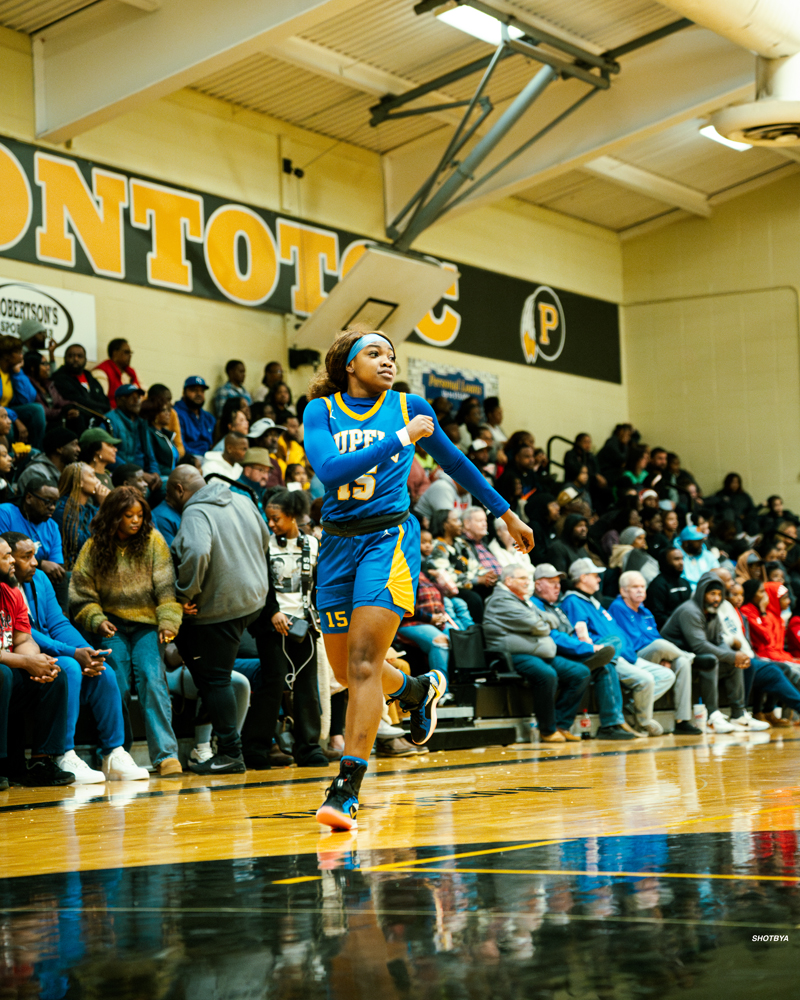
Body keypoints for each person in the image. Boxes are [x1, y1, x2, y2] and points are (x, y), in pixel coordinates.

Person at [303, 329, 532, 830]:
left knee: (364, 664)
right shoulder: (321, 411)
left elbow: (455, 463)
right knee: (346, 673)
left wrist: (504, 512)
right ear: (348, 365)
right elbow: (330, 471)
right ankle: (414, 689)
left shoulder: (409, 405)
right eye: (374, 353)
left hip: (388, 542)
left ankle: (346, 789)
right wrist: (401, 440)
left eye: (390, 355)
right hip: (338, 542)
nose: (387, 361)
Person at [4, 531, 149, 781]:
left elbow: (58, 622)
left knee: (103, 670)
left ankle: (114, 753)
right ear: (9, 560)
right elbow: (25, 634)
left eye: (34, 556)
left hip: (48, 651)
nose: (35, 562)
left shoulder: (39, 578)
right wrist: (72, 653)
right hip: (26, 657)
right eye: (25, 557)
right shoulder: (7, 586)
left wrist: (87, 652)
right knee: (70, 667)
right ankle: (64, 754)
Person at [69, 486, 183, 777]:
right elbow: (82, 593)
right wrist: (96, 619)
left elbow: (167, 590)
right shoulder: (94, 546)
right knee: (115, 682)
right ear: (113, 517)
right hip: (112, 624)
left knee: (151, 679)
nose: (136, 521)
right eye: (128, 515)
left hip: (147, 625)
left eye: (140, 515)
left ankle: (166, 755)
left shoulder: (154, 541)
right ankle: (115, 753)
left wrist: (168, 623)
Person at [171, 468, 271, 775]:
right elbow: (265, 538)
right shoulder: (242, 499)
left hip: (220, 608)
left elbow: (197, 551)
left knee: (214, 679)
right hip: (254, 600)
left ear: (177, 490)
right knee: (214, 673)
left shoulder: (195, 512)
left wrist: (185, 592)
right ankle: (218, 745)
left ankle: (229, 752)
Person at [246, 489, 327, 768]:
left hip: (306, 625)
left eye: (276, 519)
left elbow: (321, 586)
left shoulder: (313, 545)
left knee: (306, 686)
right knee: (273, 683)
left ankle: (309, 748)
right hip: (272, 626)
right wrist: (272, 613)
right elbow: (257, 584)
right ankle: (257, 748)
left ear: (292, 517)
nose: (271, 524)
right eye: (269, 519)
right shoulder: (263, 545)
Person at [560, 559, 674, 737]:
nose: (599, 579)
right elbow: (581, 633)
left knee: (666, 675)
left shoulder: (592, 601)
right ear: (583, 578)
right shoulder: (573, 601)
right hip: (609, 656)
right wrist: (596, 649)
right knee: (645, 679)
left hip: (628, 655)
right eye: (595, 575)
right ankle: (641, 722)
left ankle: (631, 710)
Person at [484, 565, 591, 743]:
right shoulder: (500, 600)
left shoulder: (522, 599)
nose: (528, 582)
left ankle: (561, 724)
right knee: (547, 674)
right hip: (512, 655)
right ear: (509, 580)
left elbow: (552, 620)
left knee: (580, 673)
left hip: (537, 653)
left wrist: (541, 624)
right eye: (522, 578)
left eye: (528, 578)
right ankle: (547, 730)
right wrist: (541, 625)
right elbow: (537, 626)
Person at [0, 536, 75, 787]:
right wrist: (25, 662)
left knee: (55, 673)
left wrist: (37, 662)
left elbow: (23, 638)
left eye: (11, 554)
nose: (11, 561)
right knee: (3, 674)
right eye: (5, 557)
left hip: (10, 668)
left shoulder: (12, 592)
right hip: (4, 672)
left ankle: (42, 760)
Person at [530, 564, 632, 740]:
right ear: (538, 585)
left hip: (570, 649)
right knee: (591, 664)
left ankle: (604, 724)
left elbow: (570, 633)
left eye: (558, 582)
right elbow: (555, 637)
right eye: (552, 582)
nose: (557, 586)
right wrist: (589, 648)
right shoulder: (535, 606)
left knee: (605, 665)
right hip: (551, 653)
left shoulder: (555, 607)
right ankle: (590, 663)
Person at [609, 570, 701, 735]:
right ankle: (686, 654)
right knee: (660, 645)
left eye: (643, 587)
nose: (640, 591)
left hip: (653, 653)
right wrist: (663, 652)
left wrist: (666, 656)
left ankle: (682, 720)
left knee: (682, 663)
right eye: (635, 587)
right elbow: (635, 642)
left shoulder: (645, 612)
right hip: (634, 657)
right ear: (623, 591)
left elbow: (654, 636)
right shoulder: (618, 608)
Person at [660, 574, 753, 733]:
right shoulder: (690, 611)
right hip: (676, 657)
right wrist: (732, 656)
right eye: (712, 594)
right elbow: (700, 646)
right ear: (702, 593)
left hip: (694, 656)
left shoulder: (712, 612)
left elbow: (718, 641)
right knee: (710, 660)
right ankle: (712, 716)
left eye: (719, 594)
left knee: (733, 663)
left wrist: (733, 656)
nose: (716, 598)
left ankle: (738, 715)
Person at [0, 477, 64, 586]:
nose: (52, 507)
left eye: (55, 503)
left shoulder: (52, 527)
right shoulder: (5, 513)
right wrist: (41, 564)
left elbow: (55, 568)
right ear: (29, 498)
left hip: (40, 583)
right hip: (9, 581)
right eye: (47, 502)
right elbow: (3, 557)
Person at [428, 508, 485, 624]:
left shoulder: (461, 543)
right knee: (473, 598)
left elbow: (476, 566)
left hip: (468, 584)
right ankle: (475, 635)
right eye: (456, 520)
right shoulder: (437, 547)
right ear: (445, 525)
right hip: (451, 590)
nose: (460, 524)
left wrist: (486, 576)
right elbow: (447, 576)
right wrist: (476, 580)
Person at [108, 385, 161, 494]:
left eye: (138, 397)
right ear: (119, 400)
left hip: (143, 476)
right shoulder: (109, 421)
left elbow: (150, 454)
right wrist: (140, 474)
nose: (137, 401)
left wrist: (155, 473)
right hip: (123, 477)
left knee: (168, 486)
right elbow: (109, 456)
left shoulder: (141, 422)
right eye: (131, 397)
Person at [53, 462, 106, 571]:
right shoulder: (62, 509)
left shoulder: (90, 508)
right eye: (92, 476)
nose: (98, 481)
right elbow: (81, 543)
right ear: (79, 482)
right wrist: (104, 507)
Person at [0, 334, 45, 448]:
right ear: (7, 356)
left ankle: (36, 452)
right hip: (3, 413)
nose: (22, 356)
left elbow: (27, 399)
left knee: (36, 409)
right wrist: (15, 419)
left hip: (8, 411)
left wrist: (18, 373)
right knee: (6, 426)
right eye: (19, 353)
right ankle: (8, 457)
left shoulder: (12, 372)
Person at [51, 343, 111, 429]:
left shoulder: (91, 378)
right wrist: (102, 407)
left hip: (99, 415)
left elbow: (104, 399)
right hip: (78, 418)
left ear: (86, 359)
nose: (75, 359)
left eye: (79, 356)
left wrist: (105, 408)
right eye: (71, 356)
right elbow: (77, 400)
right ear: (64, 358)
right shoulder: (59, 378)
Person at [22, 351, 80, 428]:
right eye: (44, 364)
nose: (48, 367)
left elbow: (60, 401)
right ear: (32, 368)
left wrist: (73, 406)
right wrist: (63, 412)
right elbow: (43, 411)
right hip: (44, 424)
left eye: (47, 363)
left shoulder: (48, 384)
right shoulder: (28, 385)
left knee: (78, 417)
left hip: (56, 420)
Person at [16, 428, 81, 494]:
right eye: (74, 445)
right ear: (59, 449)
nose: (79, 449)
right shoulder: (35, 472)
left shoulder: (70, 472)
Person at [460, 506, 501, 602]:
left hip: (498, 585)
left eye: (485, 521)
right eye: (479, 521)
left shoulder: (484, 542)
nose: (484, 524)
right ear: (466, 524)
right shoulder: (462, 544)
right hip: (484, 589)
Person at [151, 465, 200, 546]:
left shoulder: (182, 508)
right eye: (195, 494)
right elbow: (169, 556)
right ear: (180, 491)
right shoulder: (162, 519)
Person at [645, 546, 693, 629]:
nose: (681, 562)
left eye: (682, 559)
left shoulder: (684, 583)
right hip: (668, 629)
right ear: (665, 562)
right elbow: (657, 615)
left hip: (687, 625)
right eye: (676, 559)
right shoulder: (657, 585)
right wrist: (678, 625)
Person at [174, 376, 216, 457]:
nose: (199, 394)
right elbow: (180, 446)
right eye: (194, 390)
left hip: (208, 457)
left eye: (202, 391)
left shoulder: (209, 417)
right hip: (189, 457)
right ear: (184, 392)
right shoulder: (176, 413)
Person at [92, 338, 141, 406]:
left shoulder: (131, 372)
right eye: (126, 352)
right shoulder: (101, 372)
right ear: (115, 353)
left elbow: (144, 395)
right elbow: (100, 400)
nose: (130, 355)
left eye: (130, 352)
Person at [140, 396, 179, 478]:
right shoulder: (150, 434)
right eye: (164, 410)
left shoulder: (166, 434)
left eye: (169, 410)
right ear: (154, 414)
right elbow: (153, 461)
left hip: (172, 475)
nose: (169, 413)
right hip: (161, 476)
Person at [678, 524, 719, 589]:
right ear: (686, 543)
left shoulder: (708, 555)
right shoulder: (677, 558)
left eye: (701, 540)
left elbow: (716, 573)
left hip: (708, 590)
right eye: (698, 541)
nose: (701, 544)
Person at [79, 427, 120, 492]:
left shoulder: (108, 475)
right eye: (110, 445)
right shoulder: (86, 477)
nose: (115, 449)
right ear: (96, 449)